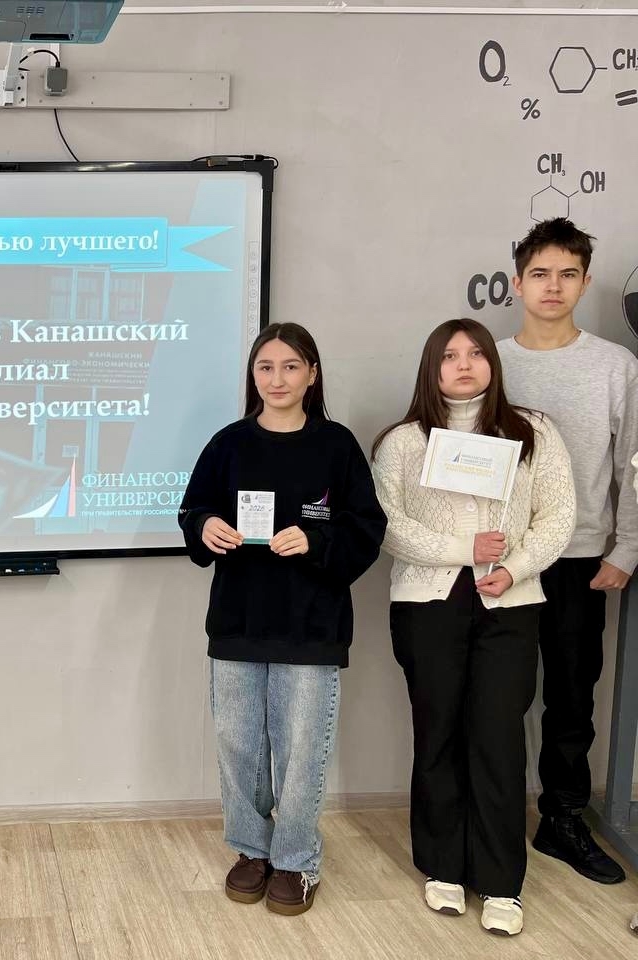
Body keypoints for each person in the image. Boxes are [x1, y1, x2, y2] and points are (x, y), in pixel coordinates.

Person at [372, 318, 574, 936]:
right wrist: (465, 549)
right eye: (450, 356)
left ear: (493, 362)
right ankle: (443, 867)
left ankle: (502, 881)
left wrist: (512, 567)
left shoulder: (533, 431)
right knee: (438, 732)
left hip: (510, 601)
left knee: (498, 737)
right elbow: (387, 524)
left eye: (476, 353)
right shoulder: (403, 441)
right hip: (428, 601)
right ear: (431, 367)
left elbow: (558, 515)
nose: (464, 365)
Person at [178, 322, 386, 916]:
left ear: (312, 374)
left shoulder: (337, 446)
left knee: (301, 752)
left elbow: (367, 528)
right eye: (265, 367)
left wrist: (317, 542)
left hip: (311, 625)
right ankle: (252, 851)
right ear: (253, 375)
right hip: (238, 621)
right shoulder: (228, 444)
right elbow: (193, 510)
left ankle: (295, 860)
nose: (277, 379)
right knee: (238, 746)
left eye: (291, 366)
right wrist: (204, 527)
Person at [496, 218, 638, 885]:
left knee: (572, 697)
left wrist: (627, 548)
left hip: (581, 558)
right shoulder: (488, 361)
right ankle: (492, 818)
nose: (553, 286)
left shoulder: (615, 366)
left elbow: (634, 465)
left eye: (567, 274)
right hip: (501, 559)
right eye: (540, 274)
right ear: (518, 282)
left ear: (583, 283)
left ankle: (562, 818)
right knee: (497, 695)